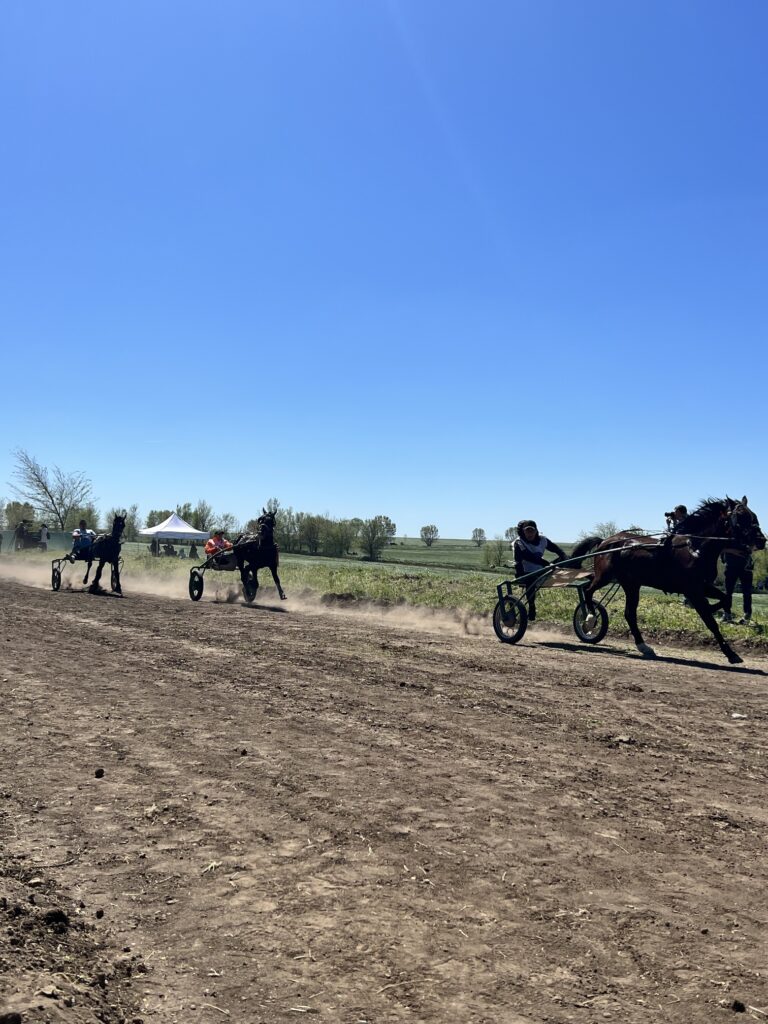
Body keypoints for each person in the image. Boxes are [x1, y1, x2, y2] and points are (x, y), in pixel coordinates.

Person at [513, 520, 567, 622]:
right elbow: (530, 557)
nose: (529, 534)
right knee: (531, 579)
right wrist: (547, 564)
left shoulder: (543, 540)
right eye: (527, 531)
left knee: (565, 559)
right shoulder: (519, 543)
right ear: (523, 532)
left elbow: (557, 549)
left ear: (536, 531)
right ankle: (531, 606)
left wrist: (564, 556)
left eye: (532, 531)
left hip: (541, 571)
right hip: (524, 572)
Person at [721, 545, 754, 625]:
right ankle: (727, 614)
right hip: (731, 565)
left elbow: (760, 543)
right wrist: (732, 551)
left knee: (747, 592)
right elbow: (720, 548)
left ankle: (747, 616)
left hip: (746, 566)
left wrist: (751, 548)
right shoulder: (727, 533)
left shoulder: (748, 532)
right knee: (728, 591)